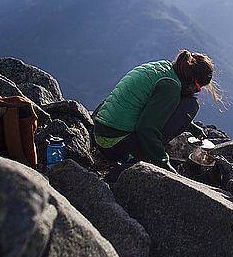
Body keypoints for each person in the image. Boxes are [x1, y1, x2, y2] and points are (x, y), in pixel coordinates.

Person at [93, 50, 223, 172]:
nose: (196, 91)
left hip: (101, 135)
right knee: (190, 105)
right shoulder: (170, 87)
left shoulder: (163, 68)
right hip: (115, 146)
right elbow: (146, 129)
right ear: (192, 79)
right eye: (198, 88)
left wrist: (192, 128)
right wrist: (164, 164)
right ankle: (139, 157)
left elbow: (156, 109)